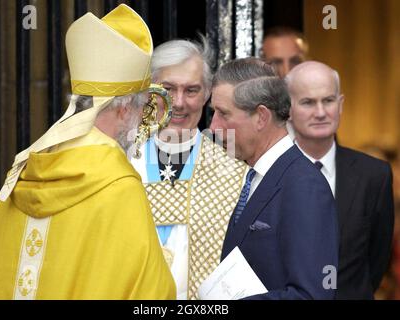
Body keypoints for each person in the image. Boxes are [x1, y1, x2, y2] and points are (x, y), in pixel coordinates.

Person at [0, 4, 175, 300]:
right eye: (141, 107)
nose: (140, 120)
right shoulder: (119, 187)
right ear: (123, 108)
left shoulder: (22, 175)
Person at [209, 57, 339, 299]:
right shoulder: (256, 175)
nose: (214, 126)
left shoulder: (304, 185)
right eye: (213, 112)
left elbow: (312, 295)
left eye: (223, 114)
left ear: (261, 117)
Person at [131, 38, 247, 299]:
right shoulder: (121, 161)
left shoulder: (233, 172)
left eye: (192, 90)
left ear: (207, 95)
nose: (179, 102)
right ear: (149, 91)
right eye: (168, 88)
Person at [285, 61, 394, 299]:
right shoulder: (269, 173)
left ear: (341, 104)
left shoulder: (374, 175)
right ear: (288, 108)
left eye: (328, 100)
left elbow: (376, 260)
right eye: (308, 102)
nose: (321, 112)